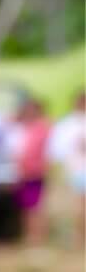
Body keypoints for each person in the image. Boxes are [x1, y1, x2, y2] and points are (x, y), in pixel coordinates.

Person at [6, 94, 53, 244]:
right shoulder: (20, 128)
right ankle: (28, 236)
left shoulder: (42, 128)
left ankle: (37, 237)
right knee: (25, 207)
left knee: (34, 207)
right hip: (20, 172)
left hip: (34, 172)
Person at [48, 88, 86, 246]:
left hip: (77, 168)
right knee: (79, 204)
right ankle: (80, 236)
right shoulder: (67, 125)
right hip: (76, 169)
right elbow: (57, 150)